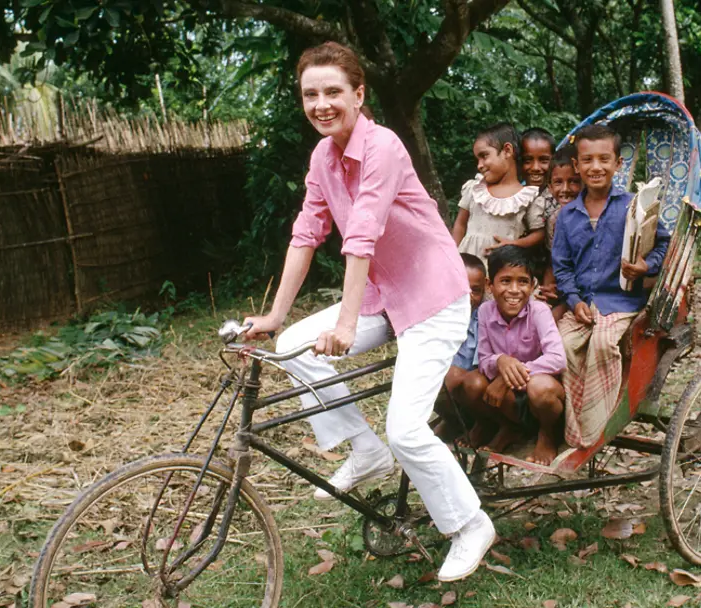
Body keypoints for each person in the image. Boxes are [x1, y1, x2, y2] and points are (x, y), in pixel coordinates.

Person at [243, 41, 494, 583]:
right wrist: (274, 317)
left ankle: (470, 524)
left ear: (359, 94)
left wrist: (347, 323)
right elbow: (308, 232)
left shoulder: (383, 146)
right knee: (291, 348)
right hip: (384, 295)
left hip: (433, 296)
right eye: (310, 94)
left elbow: (362, 234)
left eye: (333, 91)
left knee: (406, 429)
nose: (321, 104)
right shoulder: (323, 156)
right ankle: (363, 449)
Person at [551, 125, 670, 449]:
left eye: (604, 159)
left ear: (618, 164)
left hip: (621, 302)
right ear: (576, 165)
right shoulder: (567, 215)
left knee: (603, 344)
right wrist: (574, 301)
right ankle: (576, 431)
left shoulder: (634, 206)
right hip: (582, 305)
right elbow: (562, 268)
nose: (595, 167)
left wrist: (647, 266)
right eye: (587, 160)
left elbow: (663, 243)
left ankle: (595, 431)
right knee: (559, 345)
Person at [460, 245, 567, 465]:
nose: (514, 290)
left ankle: (546, 434)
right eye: (506, 281)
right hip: (507, 401)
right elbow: (485, 357)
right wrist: (501, 361)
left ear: (533, 285)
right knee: (472, 382)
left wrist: (512, 372)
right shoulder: (485, 311)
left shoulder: (539, 311)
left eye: (523, 282)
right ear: (490, 285)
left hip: (537, 398)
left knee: (541, 387)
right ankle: (508, 427)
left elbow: (557, 358)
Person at [451, 124, 544, 267]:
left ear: (507, 150)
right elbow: (460, 225)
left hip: (503, 269)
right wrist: (452, 257)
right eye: (477, 159)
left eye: (484, 156)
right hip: (467, 268)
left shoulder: (527, 197)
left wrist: (515, 244)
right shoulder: (475, 189)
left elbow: (539, 233)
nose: (479, 165)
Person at [434, 253, 487, 439]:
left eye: (476, 290)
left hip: (472, 389)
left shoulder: (483, 317)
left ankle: (479, 422)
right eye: (462, 289)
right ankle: (452, 419)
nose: (469, 297)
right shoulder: (437, 316)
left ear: (485, 287)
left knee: (453, 378)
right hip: (444, 389)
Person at [536, 148, 582, 322]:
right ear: (549, 187)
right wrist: (548, 289)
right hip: (563, 285)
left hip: (583, 288)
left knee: (552, 321)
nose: (565, 189)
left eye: (573, 182)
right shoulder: (554, 219)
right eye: (558, 182)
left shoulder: (590, 216)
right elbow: (553, 259)